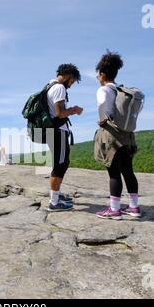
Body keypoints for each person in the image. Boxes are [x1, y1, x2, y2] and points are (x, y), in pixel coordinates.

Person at [94, 50, 141, 220]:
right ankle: (134, 207)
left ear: (102, 74)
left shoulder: (104, 90)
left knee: (114, 173)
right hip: (127, 136)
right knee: (128, 171)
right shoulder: (122, 91)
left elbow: (104, 112)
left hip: (111, 134)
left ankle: (115, 210)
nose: (98, 78)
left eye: (98, 75)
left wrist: (102, 120)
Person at [46, 64, 84, 212]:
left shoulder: (50, 85)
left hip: (52, 131)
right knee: (60, 164)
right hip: (58, 131)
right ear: (68, 76)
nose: (72, 84)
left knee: (60, 162)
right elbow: (59, 113)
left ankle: (56, 195)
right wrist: (74, 110)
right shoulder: (59, 88)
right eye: (73, 81)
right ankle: (54, 202)